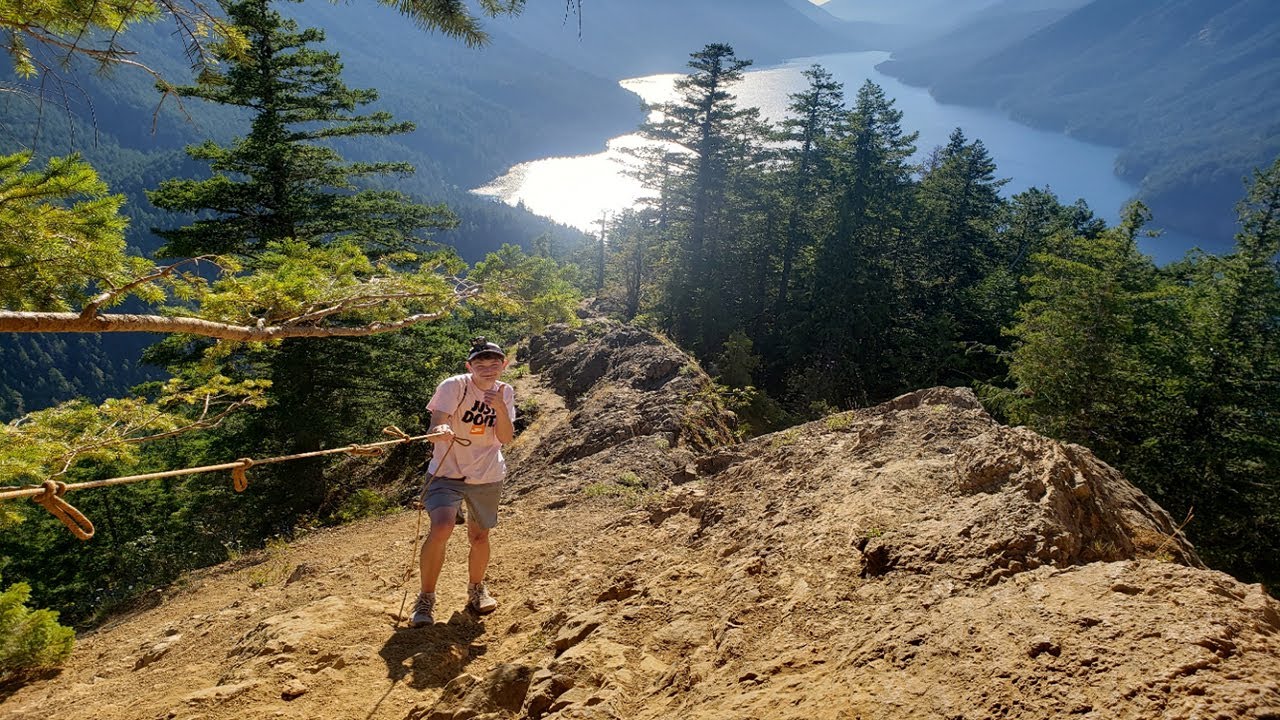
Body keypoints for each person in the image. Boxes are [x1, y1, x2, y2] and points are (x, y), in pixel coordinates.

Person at [409, 337, 516, 627]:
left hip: (487, 473)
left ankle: (476, 589)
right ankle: (426, 598)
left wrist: (501, 410)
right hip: (446, 471)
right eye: (480, 363)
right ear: (469, 366)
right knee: (442, 526)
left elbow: (505, 438)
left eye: (494, 362)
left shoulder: (505, 392)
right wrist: (441, 428)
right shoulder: (453, 386)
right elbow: (436, 426)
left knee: (479, 536)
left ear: (503, 365)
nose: (488, 368)